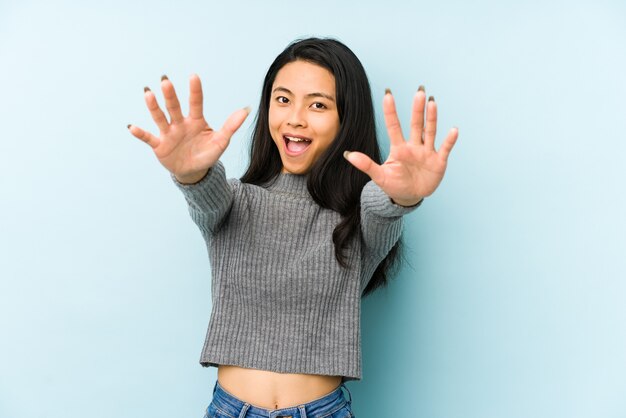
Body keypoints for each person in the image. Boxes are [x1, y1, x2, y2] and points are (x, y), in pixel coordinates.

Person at [128, 37, 458, 418]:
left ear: (345, 118)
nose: (295, 118)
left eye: (318, 104)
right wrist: (192, 173)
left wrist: (402, 196)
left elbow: (380, 207)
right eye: (283, 100)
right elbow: (207, 193)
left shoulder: (358, 215)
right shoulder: (235, 201)